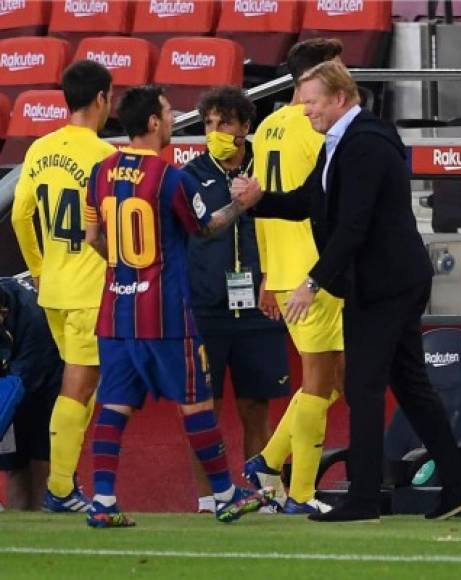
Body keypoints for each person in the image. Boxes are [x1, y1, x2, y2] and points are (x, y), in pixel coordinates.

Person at [232, 59, 461, 522]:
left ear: (340, 98)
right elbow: (309, 201)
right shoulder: (341, 142)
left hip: (384, 283)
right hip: (387, 279)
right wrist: (259, 201)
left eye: (312, 102)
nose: (304, 111)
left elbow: (352, 226)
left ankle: (365, 498)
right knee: (409, 386)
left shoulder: (364, 144)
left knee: (364, 385)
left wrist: (313, 283)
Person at [84, 84, 274, 528]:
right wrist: (241, 204)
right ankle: (226, 495)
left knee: (113, 405)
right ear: (152, 122)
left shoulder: (101, 171)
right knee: (195, 404)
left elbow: (92, 238)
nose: (173, 120)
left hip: (115, 311)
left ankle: (104, 500)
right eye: (169, 114)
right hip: (165, 314)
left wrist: (124, 272)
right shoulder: (171, 178)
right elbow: (207, 229)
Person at [243, 38, 345, 515]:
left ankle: (269, 461)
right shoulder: (317, 126)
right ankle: (297, 490)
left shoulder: (264, 129)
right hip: (317, 273)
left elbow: (258, 204)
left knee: (335, 379)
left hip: (284, 270)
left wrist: (267, 272)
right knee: (320, 383)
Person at [11, 60, 115, 512]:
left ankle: (65, 480)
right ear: (100, 99)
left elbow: (19, 215)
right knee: (79, 386)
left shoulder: (39, 148)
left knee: (79, 387)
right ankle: (59, 488)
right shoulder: (105, 156)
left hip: (51, 289)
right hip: (89, 290)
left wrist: (37, 268)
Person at [185, 86, 290, 514]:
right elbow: (195, 231)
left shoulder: (267, 170)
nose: (215, 131)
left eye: (224, 123)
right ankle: (210, 498)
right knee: (203, 409)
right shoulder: (190, 175)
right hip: (205, 307)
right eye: (208, 123)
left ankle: (264, 495)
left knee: (255, 406)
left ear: (245, 126)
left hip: (258, 307)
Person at [0, 277, 63, 510]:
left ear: (3, 313)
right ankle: (19, 527)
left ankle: (43, 523)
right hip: (11, 379)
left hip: (46, 381)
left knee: (41, 462)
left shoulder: (33, 320)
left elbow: (15, 387)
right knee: (15, 466)